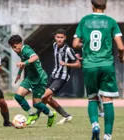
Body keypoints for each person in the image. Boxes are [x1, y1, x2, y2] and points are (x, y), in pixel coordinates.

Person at [73, 0, 124, 139]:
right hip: (106, 65)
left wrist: (87, 44)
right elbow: (121, 47)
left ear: (92, 6)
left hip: (89, 65)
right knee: (107, 99)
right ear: (105, 6)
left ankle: (95, 124)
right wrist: (121, 57)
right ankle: (108, 135)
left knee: (92, 98)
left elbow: (75, 43)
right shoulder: (111, 21)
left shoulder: (85, 20)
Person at [8, 34, 57, 127]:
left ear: (20, 44)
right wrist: (19, 74)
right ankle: (32, 114)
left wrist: (24, 62)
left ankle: (51, 115)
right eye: (12, 47)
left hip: (40, 79)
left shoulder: (26, 50)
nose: (14, 49)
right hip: (30, 78)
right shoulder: (19, 51)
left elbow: (35, 57)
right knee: (18, 96)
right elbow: (23, 62)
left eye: (15, 47)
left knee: (36, 104)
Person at [41, 29, 81, 124]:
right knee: (48, 98)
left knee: (43, 96)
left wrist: (66, 64)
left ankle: (35, 115)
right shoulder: (54, 45)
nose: (59, 39)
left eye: (61, 38)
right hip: (54, 74)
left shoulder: (68, 49)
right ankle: (66, 115)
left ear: (65, 38)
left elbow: (78, 64)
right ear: (55, 37)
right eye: (58, 37)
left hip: (62, 77)